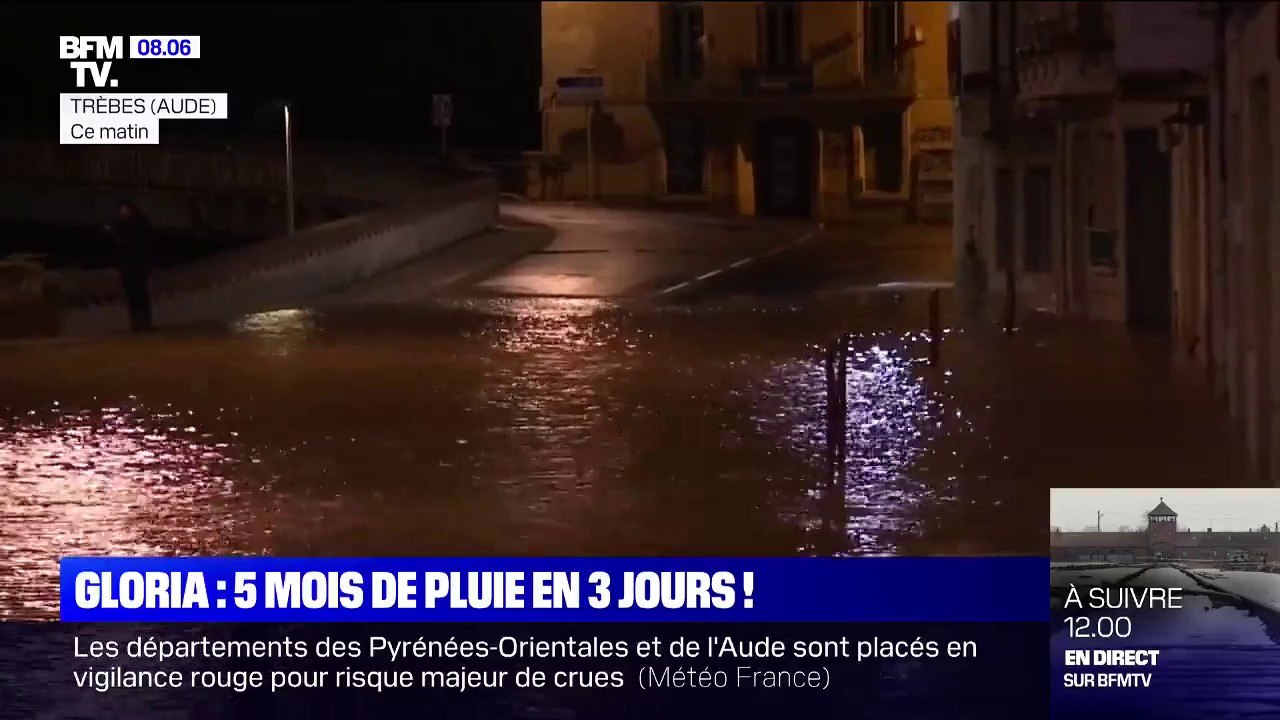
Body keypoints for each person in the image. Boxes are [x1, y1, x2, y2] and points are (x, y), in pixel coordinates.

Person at [104, 199, 156, 331]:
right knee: (133, 293)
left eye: (124, 209)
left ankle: (144, 322)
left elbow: (143, 243)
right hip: (129, 265)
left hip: (137, 264)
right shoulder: (122, 226)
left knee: (139, 293)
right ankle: (138, 322)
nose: (122, 212)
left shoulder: (138, 224)